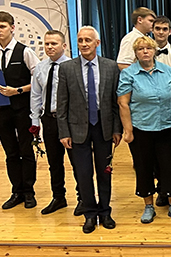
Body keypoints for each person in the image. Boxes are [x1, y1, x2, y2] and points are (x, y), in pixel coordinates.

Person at [56, 26, 122, 233]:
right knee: (83, 174)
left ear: (97, 43)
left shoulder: (111, 67)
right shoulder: (67, 68)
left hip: (104, 127)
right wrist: (64, 132)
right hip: (77, 130)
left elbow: (115, 102)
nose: (84, 44)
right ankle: (90, 214)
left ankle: (105, 212)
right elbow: (61, 104)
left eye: (88, 40)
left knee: (104, 172)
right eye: (80, 40)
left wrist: (117, 129)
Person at [118, 36, 171, 223]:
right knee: (143, 167)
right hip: (141, 129)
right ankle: (148, 206)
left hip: (167, 128)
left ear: (154, 51)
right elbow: (123, 103)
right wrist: (128, 130)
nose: (145, 51)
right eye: (140, 49)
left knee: (170, 167)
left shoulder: (167, 71)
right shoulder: (129, 74)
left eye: (148, 48)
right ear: (135, 53)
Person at [0, 11, 40, 210]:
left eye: (2, 26)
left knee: (26, 150)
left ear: (12, 28)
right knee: (10, 153)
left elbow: (38, 82)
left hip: (23, 109)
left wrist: (18, 90)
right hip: (1, 111)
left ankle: (29, 191)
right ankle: (17, 191)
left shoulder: (25, 52)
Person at [29, 30, 76, 215]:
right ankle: (58, 197)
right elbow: (36, 95)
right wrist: (35, 121)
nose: (49, 47)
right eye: (47, 44)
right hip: (49, 119)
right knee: (54, 162)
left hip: (69, 120)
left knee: (76, 161)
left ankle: (82, 197)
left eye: (54, 43)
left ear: (63, 46)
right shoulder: (40, 68)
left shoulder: (72, 66)